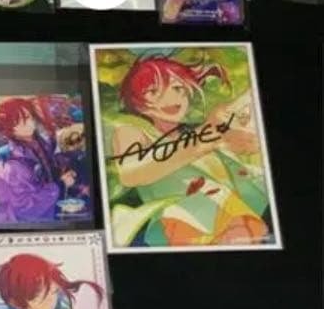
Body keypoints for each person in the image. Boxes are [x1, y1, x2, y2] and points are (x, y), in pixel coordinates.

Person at [108, 54, 271, 246]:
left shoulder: (194, 132)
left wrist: (239, 138)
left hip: (234, 210)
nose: (171, 98)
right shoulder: (131, 130)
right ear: (136, 102)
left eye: (178, 89)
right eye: (153, 91)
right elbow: (131, 173)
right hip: (183, 221)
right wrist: (207, 137)